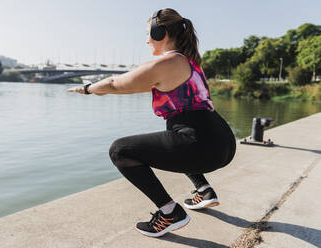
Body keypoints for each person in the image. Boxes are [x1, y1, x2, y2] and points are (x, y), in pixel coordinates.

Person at [67, 8, 236, 238]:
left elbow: (115, 83)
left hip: (201, 144)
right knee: (174, 136)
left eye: (149, 33)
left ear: (160, 32)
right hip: (223, 140)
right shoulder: (191, 63)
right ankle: (204, 190)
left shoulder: (166, 64)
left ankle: (169, 212)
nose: (146, 40)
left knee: (120, 150)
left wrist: (87, 89)